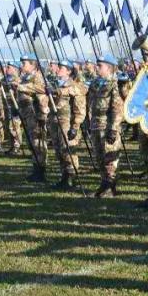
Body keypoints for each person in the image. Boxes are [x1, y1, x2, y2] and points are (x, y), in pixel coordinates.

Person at [88, 54, 124, 198]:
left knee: (110, 157)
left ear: (109, 68)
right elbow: (90, 102)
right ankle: (103, 184)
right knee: (99, 156)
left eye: (100, 65)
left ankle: (110, 186)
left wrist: (114, 128)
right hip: (96, 124)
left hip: (107, 125)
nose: (97, 68)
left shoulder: (114, 84)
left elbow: (117, 108)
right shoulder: (96, 83)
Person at [49, 59, 86, 191]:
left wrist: (75, 127)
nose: (58, 69)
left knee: (68, 151)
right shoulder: (55, 84)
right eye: (58, 67)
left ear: (69, 71)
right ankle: (64, 176)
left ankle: (71, 177)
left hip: (67, 123)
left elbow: (80, 109)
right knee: (59, 150)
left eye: (61, 68)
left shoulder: (75, 85)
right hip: (55, 121)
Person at [16, 54, 50, 182]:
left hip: (36, 115)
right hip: (28, 115)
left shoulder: (38, 77)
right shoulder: (25, 77)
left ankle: (41, 171)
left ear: (32, 64)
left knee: (39, 143)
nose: (22, 66)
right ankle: (36, 168)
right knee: (32, 143)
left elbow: (42, 91)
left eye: (24, 63)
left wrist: (42, 114)